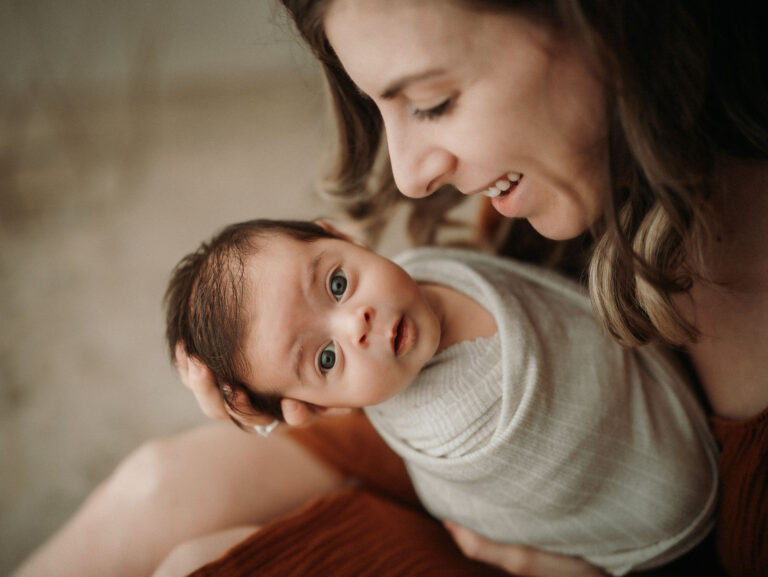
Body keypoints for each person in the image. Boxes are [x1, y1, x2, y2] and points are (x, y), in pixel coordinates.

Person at [13, 1, 767, 576]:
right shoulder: (532, 184)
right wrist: (281, 388)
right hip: (454, 470)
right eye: (381, 106)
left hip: (595, 545)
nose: (407, 174)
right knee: (158, 484)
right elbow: (420, 361)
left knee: (198, 564)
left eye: (432, 101)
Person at [163, 217, 717, 576]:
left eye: (337, 284)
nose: (358, 321)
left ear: (342, 234)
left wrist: (269, 410)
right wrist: (257, 416)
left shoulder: (422, 271)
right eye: (326, 359)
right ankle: (521, 556)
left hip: (665, 406)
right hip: (652, 535)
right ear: (321, 409)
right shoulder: (459, 420)